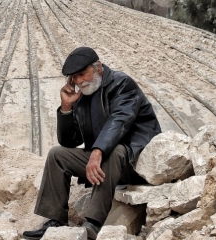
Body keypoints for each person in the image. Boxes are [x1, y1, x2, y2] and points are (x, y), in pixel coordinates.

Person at [22, 47, 161, 240]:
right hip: (107, 162)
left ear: (98, 67)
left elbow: (119, 121)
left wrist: (97, 152)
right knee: (57, 154)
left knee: (114, 150)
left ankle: (93, 226)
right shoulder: (83, 96)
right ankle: (55, 221)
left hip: (136, 161)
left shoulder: (122, 84)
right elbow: (70, 141)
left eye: (82, 74)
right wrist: (66, 108)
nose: (79, 81)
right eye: (74, 77)